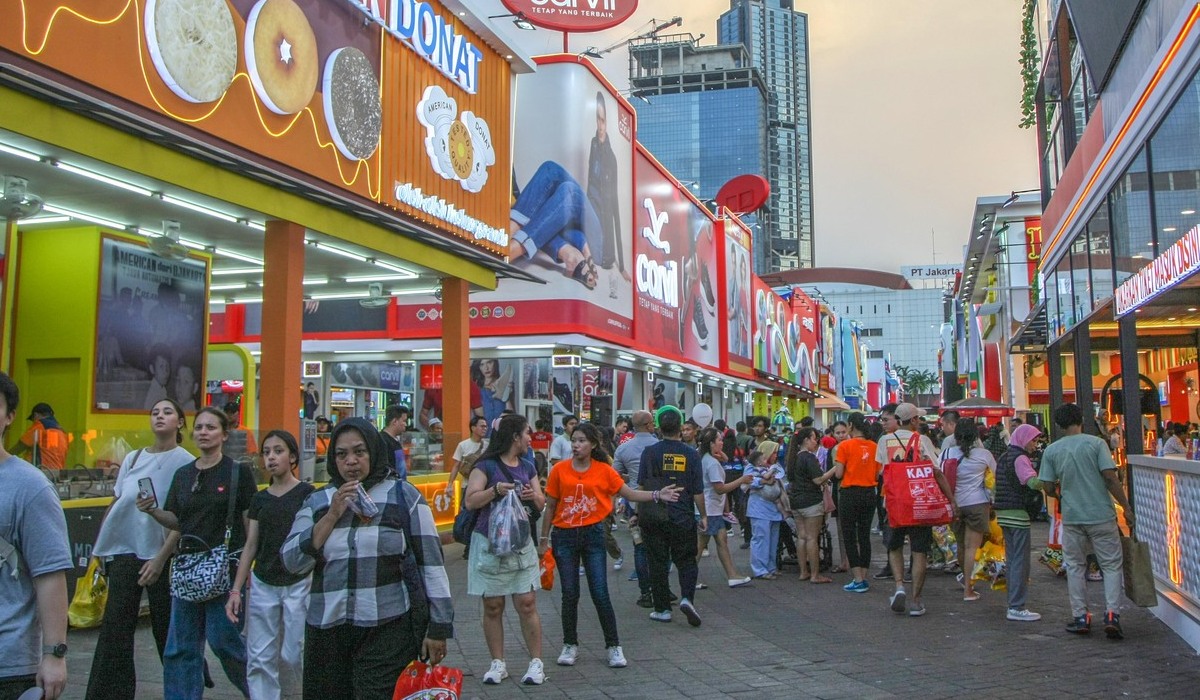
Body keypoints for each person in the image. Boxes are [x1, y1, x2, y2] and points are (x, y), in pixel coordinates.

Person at [281, 418, 453, 695]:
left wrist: (438, 627)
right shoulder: (318, 501)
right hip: (328, 629)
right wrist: (332, 515)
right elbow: (291, 562)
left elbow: (431, 564)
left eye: (359, 452)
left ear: (373, 452)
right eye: (341, 454)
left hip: (387, 627)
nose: (351, 461)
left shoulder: (403, 497)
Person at [541, 422, 681, 669]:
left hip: (594, 535)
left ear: (593, 444)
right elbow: (551, 505)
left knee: (600, 592)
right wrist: (544, 539)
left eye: (582, 440)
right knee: (570, 594)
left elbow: (628, 493)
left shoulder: (604, 470)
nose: (576, 445)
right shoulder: (559, 470)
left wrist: (657, 495)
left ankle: (614, 646)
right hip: (564, 536)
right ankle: (569, 644)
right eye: (574, 440)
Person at [138, 406, 255, 698]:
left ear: (224, 435)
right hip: (188, 569)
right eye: (199, 428)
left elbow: (249, 525)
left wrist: (246, 573)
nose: (204, 432)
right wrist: (153, 511)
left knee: (224, 640)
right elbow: (178, 521)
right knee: (181, 648)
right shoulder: (184, 474)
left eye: (211, 427)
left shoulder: (237, 473)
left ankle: (260, 689)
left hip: (224, 569)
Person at [87, 399, 193, 700]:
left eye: (167, 412)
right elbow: (117, 502)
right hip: (124, 552)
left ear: (180, 423)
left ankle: (183, 689)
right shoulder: (133, 458)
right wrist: (100, 547)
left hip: (162, 556)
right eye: (155, 413)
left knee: (166, 628)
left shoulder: (185, 463)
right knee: (115, 628)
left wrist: (161, 559)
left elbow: (181, 519)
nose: (160, 417)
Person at [225, 430, 314, 700]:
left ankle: (293, 694)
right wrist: (236, 590)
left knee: (293, 651)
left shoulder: (308, 494)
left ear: (293, 456)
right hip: (263, 582)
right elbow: (251, 545)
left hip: (299, 581)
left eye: (278, 451)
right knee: (260, 655)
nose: (272, 457)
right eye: (266, 452)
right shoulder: (259, 499)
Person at [0, 373, 71, 700]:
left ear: (10, 416)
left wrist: (55, 654)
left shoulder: (30, 487)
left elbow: (50, 575)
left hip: (8, 663)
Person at [1038, 403, 1135, 639]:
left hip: (1072, 517)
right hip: (1101, 514)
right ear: (1081, 419)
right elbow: (1111, 478)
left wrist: (1060, 493)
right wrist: (1126, 507)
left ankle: (1081, 616)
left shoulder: (1052, 450)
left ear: (1059, 425)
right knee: (1111, 565)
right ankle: (1112, 614)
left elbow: (1048, 486)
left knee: (1075, 566)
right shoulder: (1096, 444)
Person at [462, 415, 546, 685]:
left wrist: (534, 497)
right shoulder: (485, 466)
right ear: (514, 437)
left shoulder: (528, 466)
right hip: (489, 544)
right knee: (493, 605)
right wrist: (495, 490)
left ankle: (536, 663)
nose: (530, 439)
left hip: (520, 544)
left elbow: (542, 504)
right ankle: (498, 663)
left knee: (527, 603)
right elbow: (470, 501)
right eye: (526, 434)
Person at [877, 403, 955, 617]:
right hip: (919, 504)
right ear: (912, 421)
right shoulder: (922, 440)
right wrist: (950, 499)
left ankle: (899, 585)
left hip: (894, 503)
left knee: (894, 547)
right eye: (918, 419)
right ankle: (916, 601)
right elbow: (937, 471)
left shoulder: (884, 441)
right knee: (919, 551)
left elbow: (882, 471)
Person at [637, 407, 706, 626]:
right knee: (686, 560)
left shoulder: (649, 452)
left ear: (658, 427)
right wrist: (703, 515)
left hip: (655, 514)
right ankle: (687, 597)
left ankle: (662, 608)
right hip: (683, 515)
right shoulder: (691, 454)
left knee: (657, 562)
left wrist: (635, 512)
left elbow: (641, 485)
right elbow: (697, 491)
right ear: (681, 428)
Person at [507, 161, 602, 290]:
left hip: (598, 236)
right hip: (566, 225)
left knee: (567, 189)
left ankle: (510, 248)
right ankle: (510, 236)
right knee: (552, 173)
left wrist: (582, 243)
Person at [817, 413, 879, 592]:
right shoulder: (874, 446)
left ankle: (857, 578)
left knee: (850, 536)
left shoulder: (845, 446)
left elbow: (838, 474)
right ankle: (864, 577)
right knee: (864, 535)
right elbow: (877, 474)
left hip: (849, 494)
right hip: (869, 493)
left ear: (851, 425)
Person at [994, 423, 1046, 622]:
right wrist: (1048, 479)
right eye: (1033, 440)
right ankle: (1016, 606)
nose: (1035, 444)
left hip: (1004, 513)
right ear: (1024, 439)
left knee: (1013, 559)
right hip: (1018, 514)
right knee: (1020, 562)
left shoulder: (1004, 456)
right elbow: (1031, 482)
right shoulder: (1021, 458)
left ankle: (1013, 603)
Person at [694, 427, 752, 587]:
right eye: (719, 440)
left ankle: (732, 575)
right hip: (710, 509)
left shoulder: (706, 458)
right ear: (712, 443)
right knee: (699, 546)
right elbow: (720, 488)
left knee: (721, 540)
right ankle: (689, 578)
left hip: (712, 509)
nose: (722, 442)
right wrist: (741, 480)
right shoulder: (711, 463)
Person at [612, 410, 659, 606]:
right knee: (660, 548)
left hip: (634, 502)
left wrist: (630, 482)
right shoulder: (660, 446)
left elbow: (614, 476)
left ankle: (645, 592)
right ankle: (660, 589)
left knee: (640, 547)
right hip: (660, 501)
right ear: (649, 425)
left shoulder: (623, 449)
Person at [947, 419, 995, 602]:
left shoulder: (946, 453)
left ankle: (965, 579)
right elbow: (994, 479)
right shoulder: (984, 455)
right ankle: (968, 588)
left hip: (954, 505)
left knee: (961, 545)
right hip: (977, 504)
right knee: (972, 547)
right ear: (976, 436)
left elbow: (939, 475)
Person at [588, 91, 628, 299]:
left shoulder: (611, 158)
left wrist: (621, 264)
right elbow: (589, 182)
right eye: (597, 118)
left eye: (603, 120)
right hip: (590, 214)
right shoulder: (594, 144)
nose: (600, 125)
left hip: (604, 239)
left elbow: (615, 209)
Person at [785, 428, 832, 584]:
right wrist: (834, 469)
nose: (816, 442)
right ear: (806, 440)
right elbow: (818, 480)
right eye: (813, 438)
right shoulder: (809, 458)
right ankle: (815, 574)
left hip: (796, 502)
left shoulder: (794, 458)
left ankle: (803, 572)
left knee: (802, 537)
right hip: (811, 501)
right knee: (812, 538)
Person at [742, 441, 784, 580]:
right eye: (773, 452)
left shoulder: (774, 468)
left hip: (773, 509)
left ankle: (771, 567)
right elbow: (746, 484)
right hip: (759, 508)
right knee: (761, 538)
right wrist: (763, 481)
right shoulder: (751, 467)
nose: (775, 455)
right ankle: (759, 569)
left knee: (773, 539)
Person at [12, 401, 68, 470]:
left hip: (41, 471)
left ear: (36, 415)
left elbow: (20, 446)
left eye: (33, 420)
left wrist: (4, 458)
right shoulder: (62, 431)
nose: (33, 423)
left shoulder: (41, 425)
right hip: (57, 473)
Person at [472, 360, 515, 432]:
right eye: (482, 364)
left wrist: (507, 397)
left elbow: (512, 415)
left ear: (495, 363)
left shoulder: (505, 386)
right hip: (483, 435)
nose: (486, 368)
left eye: (489, 362)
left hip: (502, 434)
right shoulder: (476, 390)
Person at [380, 404, 409, 476]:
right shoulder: (382, 441)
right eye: (404, 421)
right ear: (395, 421)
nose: (406, 424)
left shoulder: (396, 441)